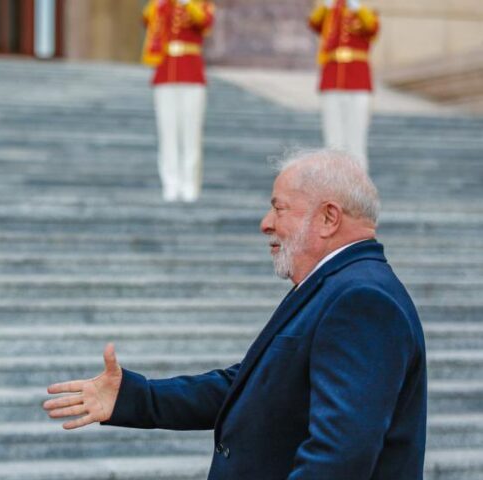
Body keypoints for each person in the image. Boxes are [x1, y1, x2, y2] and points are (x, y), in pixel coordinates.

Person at [43, 149, 426, 479]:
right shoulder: (338, 285)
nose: (266, 223)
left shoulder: (361, 299)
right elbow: (248, 385)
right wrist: (135, 397)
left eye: (279, 208)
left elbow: (340, 456)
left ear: (328, 218)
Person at [142, 0, 215, 202]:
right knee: (167, 132)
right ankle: (170, 182)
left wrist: (188, 3)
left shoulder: (200, 3)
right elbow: (147, 20)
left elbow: (206, 23)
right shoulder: (162, 4)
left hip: (191, 71)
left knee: (191, 132)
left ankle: (190, 183)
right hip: (165, 71)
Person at [309, 0, 380, 170]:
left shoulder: (364, 13)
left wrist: (357, 8)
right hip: (332, 78)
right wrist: (326, 7)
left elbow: (372, 29)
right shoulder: (330, 13)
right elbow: (314, 24)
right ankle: (333, 179)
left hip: (358, 80)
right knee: (333, 137)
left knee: (356, 138)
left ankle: (358, 182)